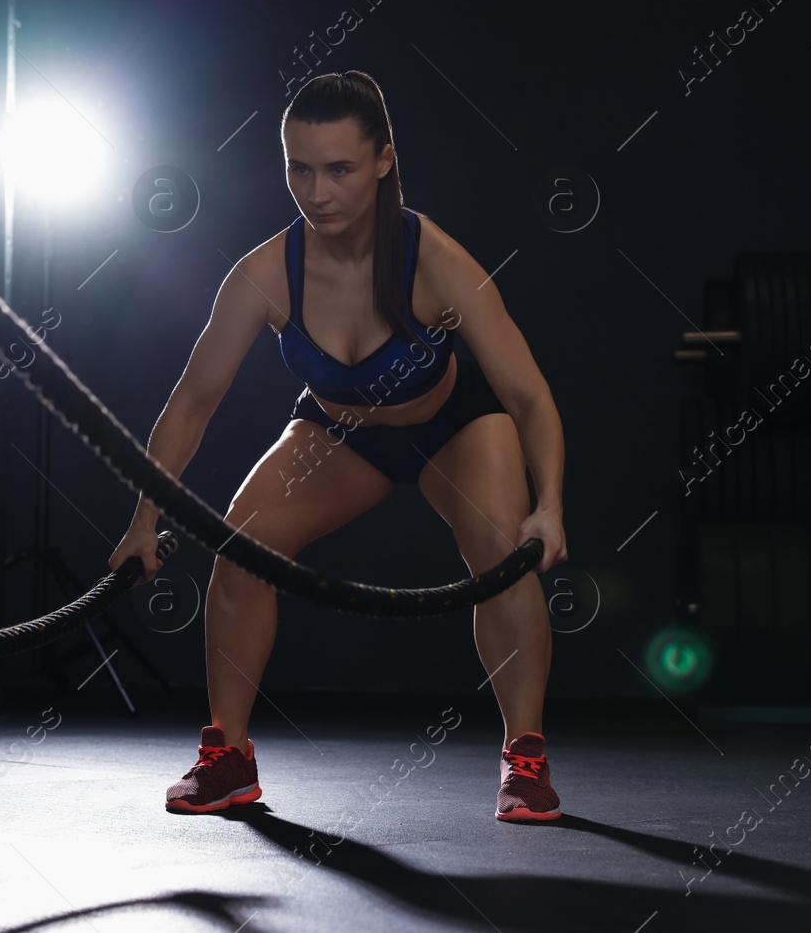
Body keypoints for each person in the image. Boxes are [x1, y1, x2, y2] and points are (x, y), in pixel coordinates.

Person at [107, 70, 568, 823]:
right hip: (340, 435)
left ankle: (526, 755)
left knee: (502, 550)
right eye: (299, 167)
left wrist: (549, 506)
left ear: (384, 160)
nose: (316, 191)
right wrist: (142, 519)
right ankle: (229, 755)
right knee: (241, 545)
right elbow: (192, 402)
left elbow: (528, 395)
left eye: (340, 169)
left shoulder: (438, 263)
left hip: (454, 426)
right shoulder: (264, 274)